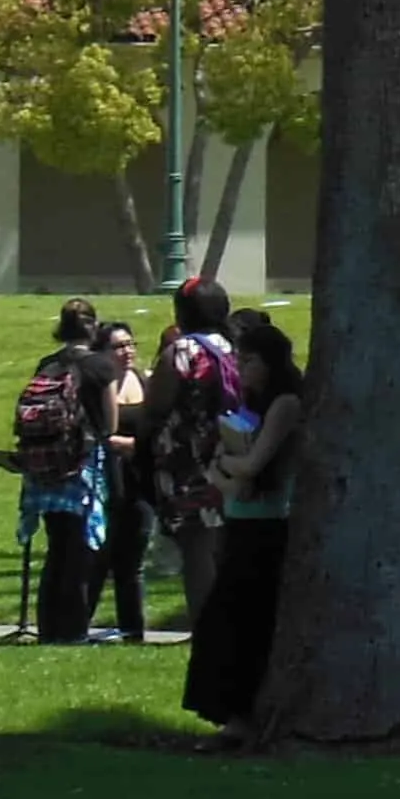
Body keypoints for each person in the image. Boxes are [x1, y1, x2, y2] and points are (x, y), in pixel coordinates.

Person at [180, 314, 308, 734]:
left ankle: (243, 717)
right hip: (241, 519)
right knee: (221, 622)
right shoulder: (247, 408)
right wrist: (227, 468)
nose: (242, 368)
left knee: (243, 624)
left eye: (250, 360)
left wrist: (228, 465)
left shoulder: (286, 403)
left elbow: (253, 464)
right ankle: (229, 715)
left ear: (270, 362)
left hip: (268, 527)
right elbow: (225, 476)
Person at [17, 309, 119, 645]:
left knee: (56, 547)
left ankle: (48, 627)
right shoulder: (102, 366)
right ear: (92, 327)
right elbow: (111, 424)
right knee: (80, 552)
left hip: (44, 468)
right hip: (81, 466)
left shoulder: (48, 362)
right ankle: (73, 630)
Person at [142, 280, 237, 622]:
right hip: (231, 457)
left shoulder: (182, 352)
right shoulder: (233, 347)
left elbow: (154, 409)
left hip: (188, 463)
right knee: (223, 547)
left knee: (196, 550)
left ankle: (204, 626)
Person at [94, 321, 155, 642]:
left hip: (140, 479)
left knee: (133, 559)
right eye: (118, 346)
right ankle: (77, 626)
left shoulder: (144, 381)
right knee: (101, 557)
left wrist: (134, 446)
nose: (127, 351)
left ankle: (133, 631)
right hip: (106, 478)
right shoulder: (99, 386)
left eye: (130, 344)